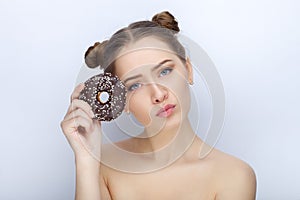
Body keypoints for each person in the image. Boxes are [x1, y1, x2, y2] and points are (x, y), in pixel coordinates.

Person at [61, 11, 256, 200]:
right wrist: (86, 160)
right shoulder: (102, 165)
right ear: (122, 102)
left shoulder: (234, 176)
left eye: (165, 71)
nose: (158, 94)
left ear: (188, 70)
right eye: (135, 85)